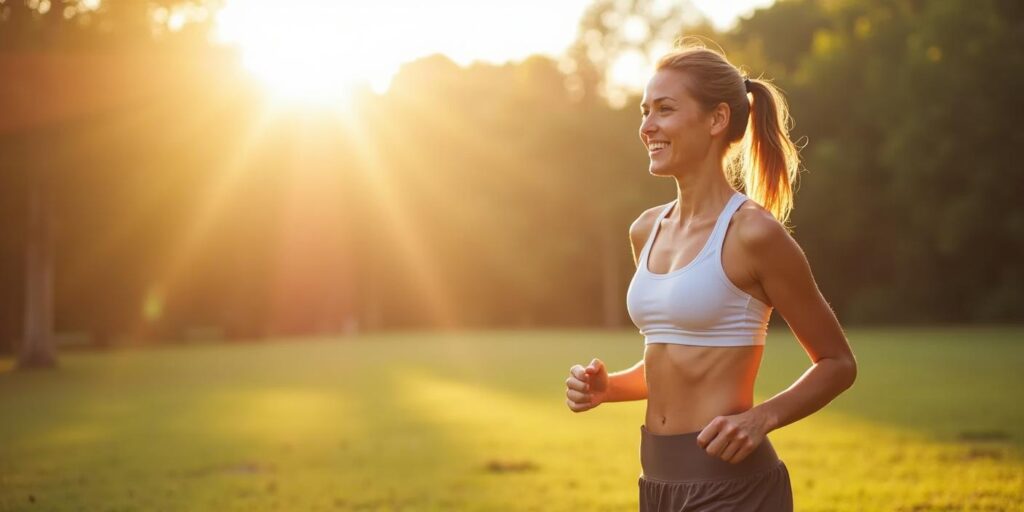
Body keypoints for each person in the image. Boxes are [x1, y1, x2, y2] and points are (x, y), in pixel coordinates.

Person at [564, 42, 858, 511]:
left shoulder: (754, 233)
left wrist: (762, 418)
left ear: (717, 119)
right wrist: (609, 388)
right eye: (644, 111)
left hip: (732, 487)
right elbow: (676, 360)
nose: (647, 127)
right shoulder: (646, 230)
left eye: (665, 109)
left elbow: (837, 363)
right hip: (657, 482)